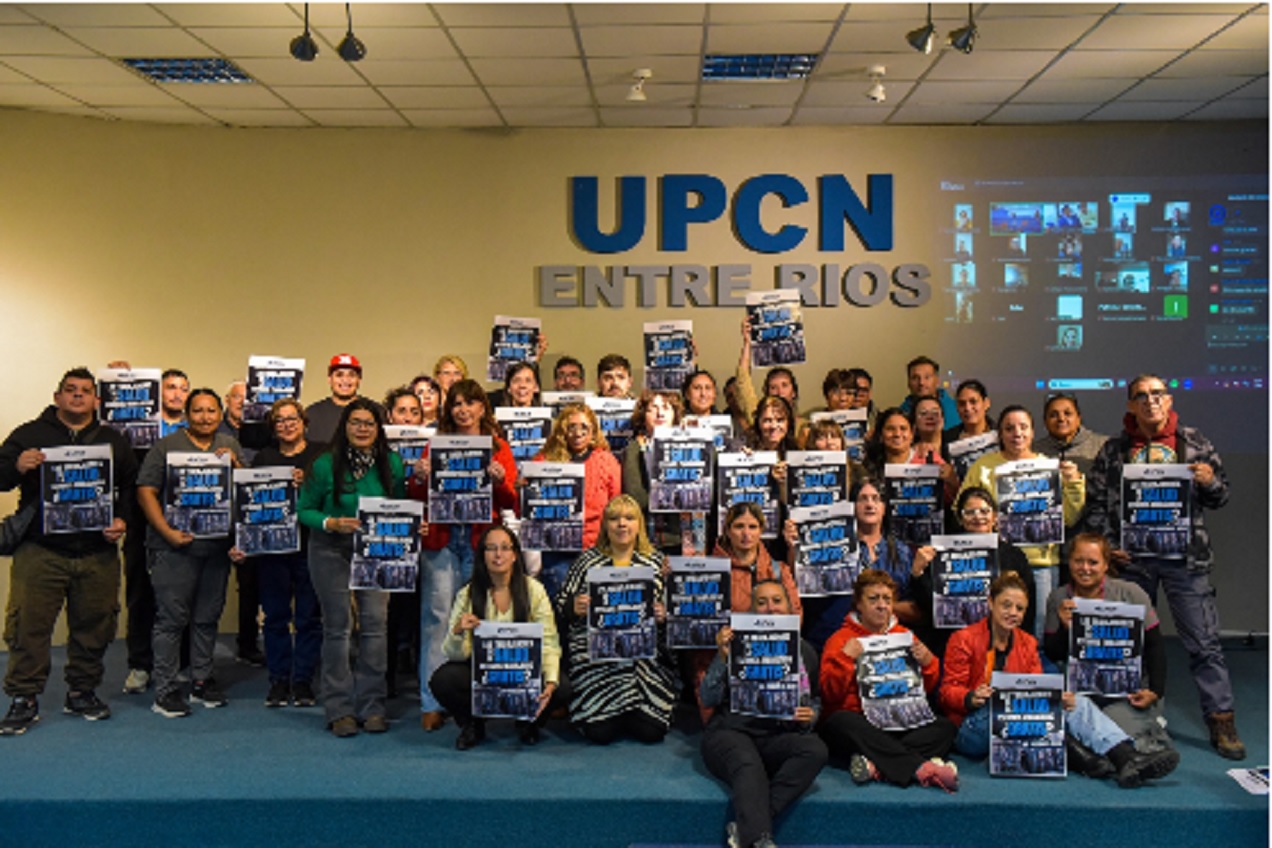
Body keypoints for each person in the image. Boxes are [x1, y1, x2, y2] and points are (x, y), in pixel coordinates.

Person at [1085, 374, 1244, 759]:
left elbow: (1221, 496)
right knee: (1130, 644)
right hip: (1133, 562)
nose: (1150, 401)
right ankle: (1137, 723)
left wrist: (1209, 482)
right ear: (1130, 405)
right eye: (1141, 395)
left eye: (1157, 394)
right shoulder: (1114, 450)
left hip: (1185, 560)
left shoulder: (1194, 442)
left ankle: (1221, 720)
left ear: (1169, 400)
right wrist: (1110, 546)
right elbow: (1096, 503)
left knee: (1204, 643)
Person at [941, 572, 1179, 787]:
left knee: (1077, 702)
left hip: (1017, 720)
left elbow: (1035, 687)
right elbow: (946, 692)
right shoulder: (963, 639)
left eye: (1020, 608)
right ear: (990, 603)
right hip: (973, 726)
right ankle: (1083, 758)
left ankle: (1125, 757)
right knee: (1013, 707)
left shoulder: (1027, 643)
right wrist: (971, 697)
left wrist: (1054, 698)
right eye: (1006, 605)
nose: (1013, 613)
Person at [0, 368, 136, 734]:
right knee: (29, 626)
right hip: (41, 550)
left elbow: (130, 486)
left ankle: (82, 691)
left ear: (96, 399)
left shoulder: (113, 440)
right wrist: (16, 465)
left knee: (95, 624)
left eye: (85, 391)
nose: (78, 395)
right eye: (70, 390)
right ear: (57, 396)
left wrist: (122, 520)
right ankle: (24, 698)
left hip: (97, 551)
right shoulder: (29, 434)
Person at [408, 379, 519, 732]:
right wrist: (419, 476)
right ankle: (432, 701)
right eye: (456, 404)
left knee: (481, 617)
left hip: (480, 539)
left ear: (482, 407)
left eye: (470, 403)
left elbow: (512, 501)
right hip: (442, 539)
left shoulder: (498, 446)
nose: (463, 410)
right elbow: (416, 495)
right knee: (437, 617)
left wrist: (500, 481)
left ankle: (480, 696)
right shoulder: (435, 444)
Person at [297, 398, 406, 736]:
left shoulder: (392, 463)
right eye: (355, 422)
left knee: (375, 627)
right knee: (338, 627)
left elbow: (399, 504)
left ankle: (372, 706)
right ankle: (339, 708)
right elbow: (304, 510)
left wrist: (410, 526)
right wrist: (330, 522)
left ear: (378, 428)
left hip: (377, 550)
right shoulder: (324, 464)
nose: (362, 429)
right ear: (344, 426)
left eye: (369, 423)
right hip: (330, 549)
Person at [137, 388, 245, 718]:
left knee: (207, 617)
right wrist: (167, 532)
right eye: (198, 410)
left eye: (211, 410)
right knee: (171, 619)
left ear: (220, 414)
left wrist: (237, 466)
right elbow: (146, 491)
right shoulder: (166, 446)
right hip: (174, 548)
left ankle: (201, 679)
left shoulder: (229, 443)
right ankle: (166, 689)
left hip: (216, 547)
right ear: (187, 414)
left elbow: (247, 491)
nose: (205, 417)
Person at [700, 580, 827, 848]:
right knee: (748, 764)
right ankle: (758, 840)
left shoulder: (805, 651)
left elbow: (815, 700)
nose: (770, 608)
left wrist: (811, 716)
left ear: (790, 608)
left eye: (777, 601)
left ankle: (749, 825)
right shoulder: (733, 643)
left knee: (815, 750)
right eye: (762, 602)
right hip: (730, 731)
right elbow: (708, 698)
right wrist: (722, 659)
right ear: (752, 611)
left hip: (777, 735)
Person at [818, 569, 958, 792]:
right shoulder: (840, 640)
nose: (881, 605)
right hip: (860, 722)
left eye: (887, 599)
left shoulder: (905, 636)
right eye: (873, 599)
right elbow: (829, 694)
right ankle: (919, 767)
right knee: (840, 722)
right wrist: (845, 659)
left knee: (945, 727)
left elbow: (924, 691)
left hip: (898, 722)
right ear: (859, 605)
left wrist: (929, 664)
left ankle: (877, 766)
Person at [1044, 533, 1178, 767]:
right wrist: (1065, 628)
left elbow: (1155, 645)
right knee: (1079, 723)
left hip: (1127, 692)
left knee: (1106, 729)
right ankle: (1125, 755)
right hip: (1080, 692)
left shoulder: (1131, 593)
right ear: (1069, 562)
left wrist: (1155, 691)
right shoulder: (1059, 597)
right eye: (1078, 561)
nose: (1085, 568)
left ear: (1106, 564)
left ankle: (1139, 739)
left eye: (1093, 562)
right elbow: (1052, 653)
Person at [554, 494, 678, 745]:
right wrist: (574, 607)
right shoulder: (587, 561)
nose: (622, 524)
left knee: (652, 733)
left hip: (643, 664)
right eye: (614, 519)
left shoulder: (657, 563)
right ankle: (603, 705)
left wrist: (664, 614)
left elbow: (676, 611)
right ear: (605, 525)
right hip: (596, 661)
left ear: (639, 524)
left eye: (629, 518)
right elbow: (560, 603)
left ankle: (635, 705)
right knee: (600, 734)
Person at [429, 525, 568, 749]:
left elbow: (549, 642)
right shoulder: (468, 593)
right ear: (482, 555)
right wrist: (458, 631)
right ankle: (472, 724)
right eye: (491, 548)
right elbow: (455, 655)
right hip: (483, 673)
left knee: (562, 686)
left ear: (515, 555)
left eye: (505, 548)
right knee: (443, 679)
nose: (498, 554)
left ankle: (528, 722)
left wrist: (550, 682)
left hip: (524, 673)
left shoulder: (534, 590)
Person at [230, 398, 324, 708]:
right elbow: (250, 504)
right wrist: (244, 541)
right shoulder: (264, 458)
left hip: (310, 546)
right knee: (275, 617)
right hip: (272, 551)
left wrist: (307, 482)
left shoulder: (321, 455)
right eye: (280, 420)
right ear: (273, 427)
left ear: (304, 422)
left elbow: (333, 495)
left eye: (292, 418)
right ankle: (279, 679)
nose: (286, 425)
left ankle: (303, 680)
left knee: (309, 617)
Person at [958, 405, 1085, 628]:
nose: (1017, 433)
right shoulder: (983, 467)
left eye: (1023, 427)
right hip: (996, 561)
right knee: (995, 628)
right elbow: (961, 509)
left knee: (1040, 629)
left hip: (1041, 564)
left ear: (1033, 432)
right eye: (1009, 428)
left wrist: (1074, 483)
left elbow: (1069, 517)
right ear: (1000, 434)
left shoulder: (1048, 466)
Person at [114, 364, 188, 695]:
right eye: (170, 387)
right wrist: (121, 381)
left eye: (183, 388)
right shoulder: (137, 426)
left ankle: (181, 663)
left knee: (181, 595)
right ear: (157, 392)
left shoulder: (196, 429)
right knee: (141, 592)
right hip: (141, 519)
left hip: (184, 520)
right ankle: (140, 664)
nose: (177, 393)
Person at [531, 402, 622, 600]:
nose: (578, 433)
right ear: (562, 430)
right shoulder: (543, 461)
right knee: (560, 606)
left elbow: (615, 506)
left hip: (596, 549)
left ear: (593, 431)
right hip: (557, 550)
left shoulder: (606, 461)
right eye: (571, 427)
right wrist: (523, 491)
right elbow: (526, 511)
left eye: (584, 427)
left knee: (595, 606)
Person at [220, 379, 265, 667]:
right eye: (238, 397)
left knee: (250, 584)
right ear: (227, 400)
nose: (243, 402)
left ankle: (247, 645)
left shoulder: (265, 431)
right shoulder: (215, 430)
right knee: (208, 583)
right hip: (218, 514)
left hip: (252, 515)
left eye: (249, 398)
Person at [620, 390, 686, 555]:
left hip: (688, 538)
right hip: (650, 538)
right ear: (644, 415)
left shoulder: (692, 444)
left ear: (675, 415)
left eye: (666, 408)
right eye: (653, 408)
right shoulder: (634, 449)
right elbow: (635, 497)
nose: (660, 413)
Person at [306, 354, 369, 445]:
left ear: (359, 380)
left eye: (351, 375)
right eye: (339, 375)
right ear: (329, 379)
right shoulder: (312, 414)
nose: (345, 380)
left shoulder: (376, 412)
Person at [898, 356, 957, 424]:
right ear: (908, 382)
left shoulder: (956, 409)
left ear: (937, 381)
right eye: (915, 378)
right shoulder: (901, 414)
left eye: (927, 377)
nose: (921, 383)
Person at [942, 379, 994, 446]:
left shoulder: (1000, 435)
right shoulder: (947, 440)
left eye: (973, 402)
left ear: (986, 403)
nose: (967, 408)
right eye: (962, 403)